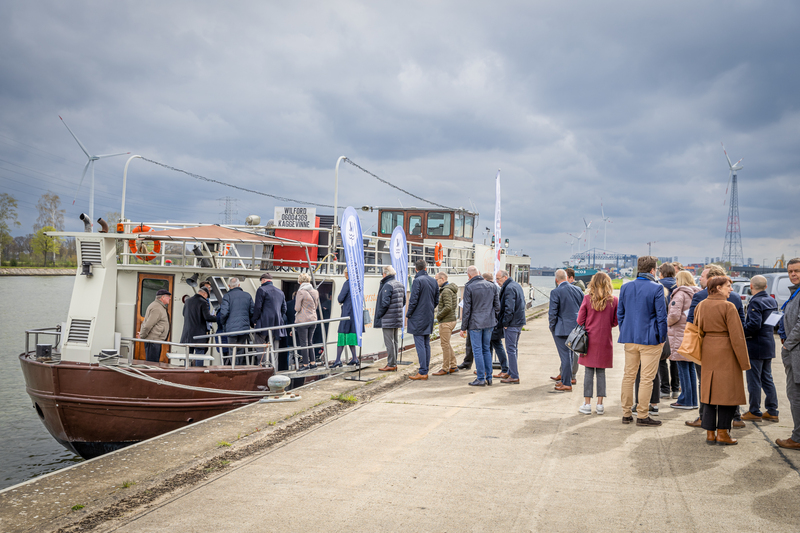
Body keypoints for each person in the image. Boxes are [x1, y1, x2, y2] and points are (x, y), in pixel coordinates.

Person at [685, 265, 746, 428]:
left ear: (713, 280)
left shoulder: (700, 298)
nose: (701, 279)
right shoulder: (734, 298)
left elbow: (692, 322)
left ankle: (704, 419)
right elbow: (742, 324)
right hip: (729, 347)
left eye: (704, 276)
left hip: (707, 347)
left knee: (706, 383)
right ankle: (736, 417)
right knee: (730, 383)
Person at [695, 276, 750, 445]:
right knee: (728, 394)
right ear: (718, 288)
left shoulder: (701, 305)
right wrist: (744, 361)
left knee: (709, 393)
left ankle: (710, 433)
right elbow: (737, 337)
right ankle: (722, 433)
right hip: (727, 351)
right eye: (728, 286)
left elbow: (697, 330)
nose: (731, 289)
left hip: (707, 351)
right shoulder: (728, 306)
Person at [617, 256, 667, 426]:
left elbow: (620, 313)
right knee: (646, 379)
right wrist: (662, 338)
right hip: (650, 339)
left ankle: (626, 413)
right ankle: (643, 415)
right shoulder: (657, 288)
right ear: (653, 270)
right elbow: (662, 317)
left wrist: (625, 330)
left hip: (630, 338)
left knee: (628, 376)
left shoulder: (626, 287)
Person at [577, 272, 618, 414]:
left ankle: (587, 404)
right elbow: (615, 322)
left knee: (588, 372)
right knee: (601, 373)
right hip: (605, 340)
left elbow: (579, 320)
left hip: (590, 340)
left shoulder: (587, 299)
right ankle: (600, 404)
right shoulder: (614, 301)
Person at [741, 275, 780, 422]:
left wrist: (741, 332)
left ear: (751, 286)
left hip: (755, 345)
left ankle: (754, 411)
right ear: (765, 286)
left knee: (754, 380)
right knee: (767, 378)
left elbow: (754, 325)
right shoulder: (772, 300)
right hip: (768, 343)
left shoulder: (755, 302)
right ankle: (772, 410)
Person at [460, 266, 500, 386]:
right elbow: (497, 306)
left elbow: (467, 309)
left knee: (477, 350)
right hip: (489, 322)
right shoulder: (492, 286)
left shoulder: (469, 286)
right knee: (486, 349)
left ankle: (480, 378)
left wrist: (463, 327)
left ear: (469, 276)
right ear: (479, 273)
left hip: (475, 323)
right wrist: (495, 319)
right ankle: (489, 377)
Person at [667, 271, 701, 409]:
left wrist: (667, 322)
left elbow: (674, 315)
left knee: (682, 369)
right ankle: (693, 399)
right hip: (691, 333)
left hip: (678, 334)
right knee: (691, 368)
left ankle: (685, 399)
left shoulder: (680, 294)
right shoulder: (697, 293)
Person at [777, 258, 800, 450]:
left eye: (797, 271)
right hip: (793, 352)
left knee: (796, 396)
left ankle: (797, 438)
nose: (793, 274)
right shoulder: (795, 293)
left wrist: (787, 345)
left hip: (796, 353)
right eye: (791, 271)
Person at [549, 269, 585, 392]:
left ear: (556, 280)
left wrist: (552, 327)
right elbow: (583, 308)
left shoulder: (556, 292)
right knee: (569, 356)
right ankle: (567, 380)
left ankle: (566, 383)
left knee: (565, 357)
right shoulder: (578, 290)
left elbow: (553, 313)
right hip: (576, 327)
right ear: (567, 277)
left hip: (561, 329)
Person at [407, 260, 439, 380]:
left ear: (416, 269)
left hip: (418, 317)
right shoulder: (433, 281)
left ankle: (422, 371)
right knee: (426, 343)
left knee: (420, 344)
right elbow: (436, 300)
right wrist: (429, 309)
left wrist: (409, 314)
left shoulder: (417, 281)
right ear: (426, 268)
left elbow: (413, 300)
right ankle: (425, 370)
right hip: (428, 316)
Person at [496, 269, 526, 384]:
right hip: (518, 322)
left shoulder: (509, 288)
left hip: (512, 323)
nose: (497, 281)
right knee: (514, 348)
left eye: (498, 279)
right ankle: (511, 371)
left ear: (505, 277)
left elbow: (509, 308)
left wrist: (505, 323)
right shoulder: (516, 286)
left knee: (511, 349)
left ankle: (514, 375)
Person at [375, 265, 406, 372]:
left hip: (388, 318)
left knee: (389, 342)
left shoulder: (387, 285)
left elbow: (384, 304)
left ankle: (391, 364)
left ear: (385, 274)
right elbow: (404, 301)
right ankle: (394, 363)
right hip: (397, 317)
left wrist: (379, 315)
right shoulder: (400, 284)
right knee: (395, 341)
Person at [253, 272, 287, 366]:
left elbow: (258, 307)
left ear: (263, 280)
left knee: (261, 347)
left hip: (263, 324)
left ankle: (262, 367)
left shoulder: (261, 289)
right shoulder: (280, 292)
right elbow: (284, 309)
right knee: (274, 349)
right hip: (276, 325)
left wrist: (255, 320)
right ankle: (273, 369)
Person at [219, 277, 254, 365]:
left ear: (229, 286)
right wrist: (250, 323)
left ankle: (233, 368)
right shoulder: (247, 295)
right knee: (240, 349)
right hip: (244, 328)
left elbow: (224, 313)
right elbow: (252, 312)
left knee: (232, 349)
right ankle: (239, 367)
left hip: (231, 329)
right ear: (239, 285)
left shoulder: (227, 296)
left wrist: (224, 324)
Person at [658, 262, 680, 399]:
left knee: (661, 359)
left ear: (661, 273)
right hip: (677, 327)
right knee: (675, 359)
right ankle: (676, 389)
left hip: (663, 325)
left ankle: (665, 389)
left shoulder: (658, 285)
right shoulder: (679, 286)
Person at [180, 286, 217, 366]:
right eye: (207, 296)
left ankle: (185, 372)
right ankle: (198, 374)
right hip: (199, 335)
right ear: (204, 294)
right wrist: (217, 317)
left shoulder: (188, 301)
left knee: (188, 354)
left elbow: (183, 314)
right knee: (199, 355)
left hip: (188, 334)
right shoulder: (203, 302)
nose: (207, 298)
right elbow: (207, 317)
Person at [482, 272, 509, 379]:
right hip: (495, 322)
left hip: (494, 322)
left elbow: (497, 307)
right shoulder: (497, 288)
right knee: (491, 345)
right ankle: (487, 369)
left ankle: (504, 369)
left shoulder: (492, 289)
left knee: (495, 345)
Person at [432, 272, 459, 375]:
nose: (435, 281)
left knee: (444, 345)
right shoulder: (450, 289)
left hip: (446, 321)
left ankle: (445, 368)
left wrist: (438, 316)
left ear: (442, 279)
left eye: (436, 279)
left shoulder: (446, 291)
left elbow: (448, 307)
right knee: (447, 344)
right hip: (451, 319)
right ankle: (453, 365)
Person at [334, 269, 359, 367]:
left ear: (347, 274)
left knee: (342, 335)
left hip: (347, 313)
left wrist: (341, 301)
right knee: (350, 336)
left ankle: (338, 360)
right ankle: (355, 358)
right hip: (354, 314)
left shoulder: (347, 283)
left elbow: (340, 298)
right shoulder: (357, 284)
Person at [294, 273, 320, 371]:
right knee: (310, 342)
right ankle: (313, 363)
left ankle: (305, 364)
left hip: (303, 320)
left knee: (303, 343)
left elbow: (297, 308)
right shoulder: (315, 291)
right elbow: (315, 306)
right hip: (313, 319)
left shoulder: (301, 292)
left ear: (300, 282)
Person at [139, 288, 171, 363]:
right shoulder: (157, 308)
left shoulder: (159, 306)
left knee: (154, 363)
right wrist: (142, 336)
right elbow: (148, 325)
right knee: (152, 364)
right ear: (162, 297)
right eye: (168, 297)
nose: (169, 298)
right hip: (153, 341)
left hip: (155, 340)